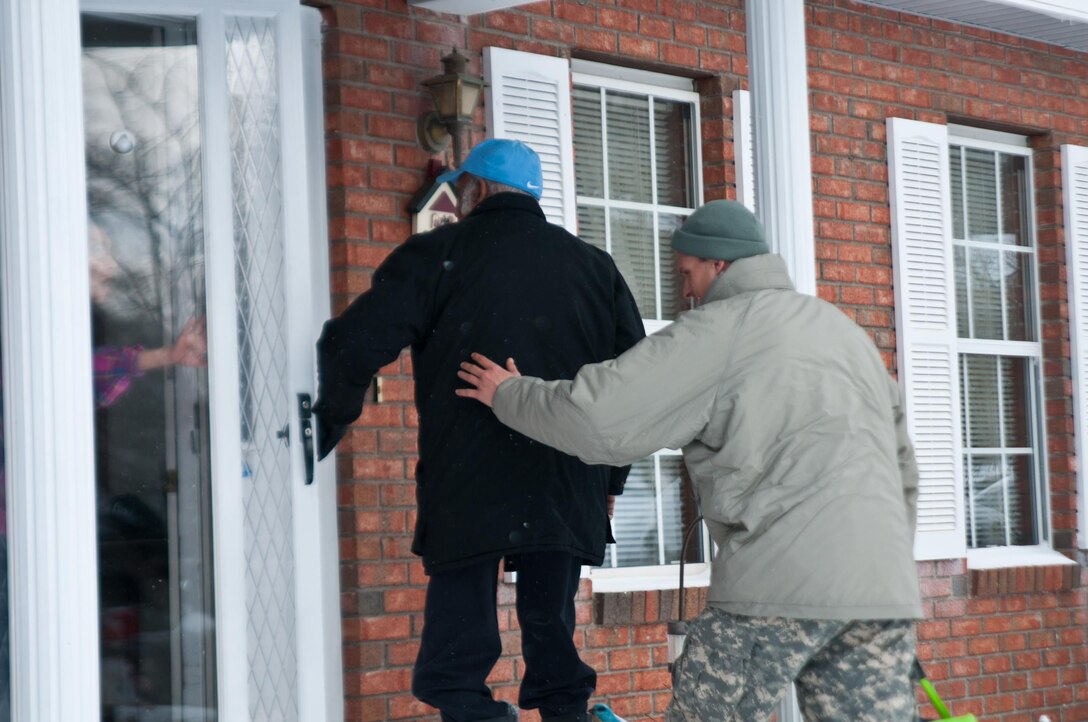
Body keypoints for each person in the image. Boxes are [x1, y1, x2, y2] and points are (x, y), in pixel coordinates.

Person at [457, 199, 923, 722]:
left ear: (718, 264)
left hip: (774, 588)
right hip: (883, 595)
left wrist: (509, 394)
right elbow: (904, 466)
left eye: (686, 272)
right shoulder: (843, 333)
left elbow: (602, 418)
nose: (684, 291)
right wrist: (875, 569)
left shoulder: (721, 330)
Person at [312, 139, 645, 722]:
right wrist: (611, 479)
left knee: (454, 663)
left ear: (477, 188)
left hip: (468, 482)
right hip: (566, 479)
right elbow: (635, 385)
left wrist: (321, 428)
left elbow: (352, 345)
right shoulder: (596, 269)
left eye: (462, 187)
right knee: (554, 648)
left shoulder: (439, 254)